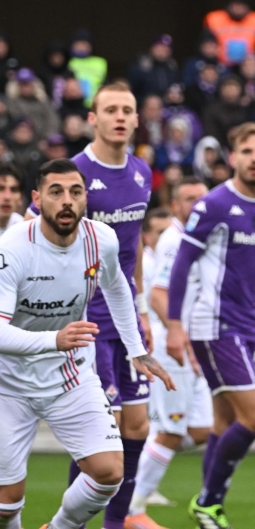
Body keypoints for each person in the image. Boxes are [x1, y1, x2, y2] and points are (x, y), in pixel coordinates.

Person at [0, 159, 172, 529]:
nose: (67, 201)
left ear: (86, 199)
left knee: (110, 471)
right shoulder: (12, 248)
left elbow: (118, 288)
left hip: (70, 375)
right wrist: (54, 339)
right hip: (8, 383)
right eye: (56, 192)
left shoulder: (101, 239)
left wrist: (137, 348)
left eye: (76, 192)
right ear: (37, 199)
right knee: (6, 503)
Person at [25, 82, 156, 529]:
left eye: (128, 109)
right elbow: (31, 233)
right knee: (104, 437)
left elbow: (130, 255)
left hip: (124, 319)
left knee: (138, 427)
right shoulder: (73, 173)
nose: (120, 117)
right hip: (86, 324)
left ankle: (115, 523)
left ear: (138, 120)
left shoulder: (142, 172)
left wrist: (138, 313)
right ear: (92, 119)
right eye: (111, 109)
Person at [165, 123, 255, 529]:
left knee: (224, 422)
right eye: (246, 150)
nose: (254, 158)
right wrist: (175, 325)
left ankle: (209, 510)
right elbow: (182, 264)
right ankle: (208, 501)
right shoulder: (213, 204)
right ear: (232, 157)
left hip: (245, 327)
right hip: (214, 325)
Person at [128, 180, 213, 529]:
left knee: (204, 429)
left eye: (201, 198)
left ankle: (145, 457)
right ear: (175, 204)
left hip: (196, 344)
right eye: (189, 199)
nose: (196, 204)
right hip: (173, 345)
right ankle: (132, 509)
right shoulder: (173, 239)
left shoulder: (200, 235)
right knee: (170, 430)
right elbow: (159, 294)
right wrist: (178, 333)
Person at [204, 0, 255, 66]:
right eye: (236, 4)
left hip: (248, 66)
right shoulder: (214, 19)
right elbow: (205, 42)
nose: (238, 8)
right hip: (220, 64)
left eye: (241, 4)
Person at [7, 68, 60, 140]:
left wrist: (47, 137)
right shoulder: (12, 102)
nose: (26, 88)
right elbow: (17, 121)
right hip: (24, 139)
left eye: (28, 84)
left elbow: (53, 120)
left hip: (44, 139)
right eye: (22, 84)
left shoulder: (42, 100)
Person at [128, 35, 179, 103]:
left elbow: (178, 85)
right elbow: (132, 90)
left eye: (166, 49)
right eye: (160, 47)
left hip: (167, 107)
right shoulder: (141, 66)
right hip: (144, 107)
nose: (163, 51)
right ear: (152, 48)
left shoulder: (172, 67)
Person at [67, 29, 108, 107]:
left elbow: (105, 83)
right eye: (78, 44)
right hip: (73, 105)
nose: (81, 47)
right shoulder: (68, 62)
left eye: (84, 44)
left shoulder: (100, 62)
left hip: (96, 104)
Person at [0, 165, 24, 236]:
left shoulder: (22, 229)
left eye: (14, 190)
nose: (7, 197)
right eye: (1, 189)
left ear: (21, 198)